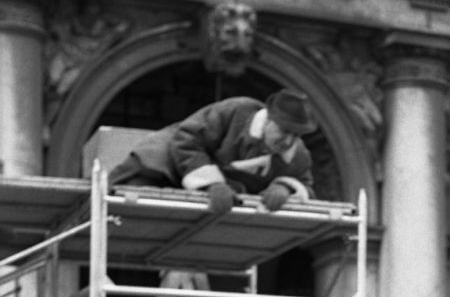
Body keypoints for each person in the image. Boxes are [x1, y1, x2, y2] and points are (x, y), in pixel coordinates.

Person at [109, 89, 316, 215]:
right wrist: (211, 183)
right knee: (129, 207)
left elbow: (305, 185)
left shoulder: (298, 155)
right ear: (269, 119)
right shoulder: (237, 111)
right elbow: (187, 139)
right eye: (284, 130)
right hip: (164, 166)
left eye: (296, 135)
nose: (288, 140)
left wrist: (285, 188)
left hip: (217, 202)